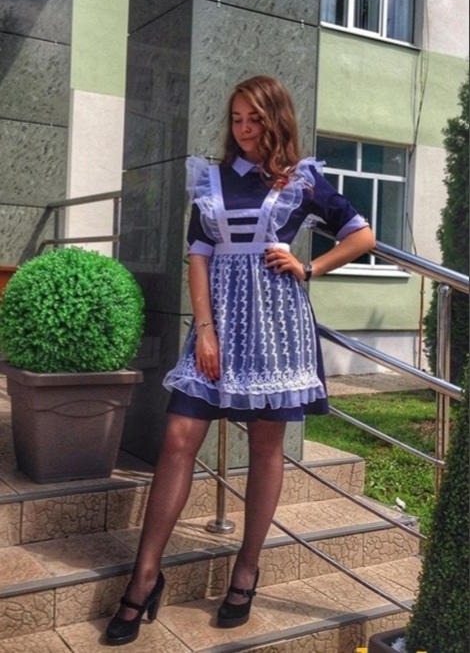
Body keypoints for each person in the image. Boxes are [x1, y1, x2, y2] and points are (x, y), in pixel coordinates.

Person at [105, 75, 375, 645]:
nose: (244, 128)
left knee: (265, 446)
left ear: (276, 119)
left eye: (254, 118)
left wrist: (309, 267)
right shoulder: (211, 179)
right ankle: (145, 576)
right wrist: (204, 331)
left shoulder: (303, 180)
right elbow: (198, 258)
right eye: (236, 118)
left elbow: (361, 235)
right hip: (218, 328)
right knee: (179, 437)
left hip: (277, 330)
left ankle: (246, 570)